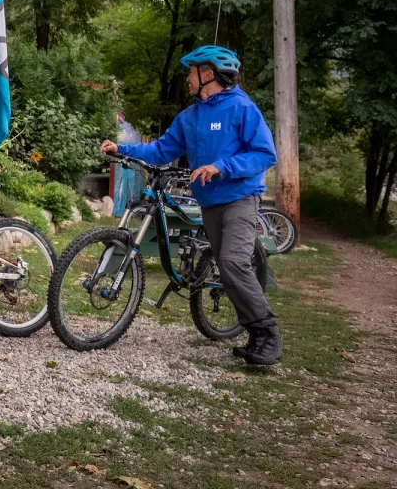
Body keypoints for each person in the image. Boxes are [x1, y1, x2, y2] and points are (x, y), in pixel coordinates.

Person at [100, 45, 281, 365]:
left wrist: (222, 166)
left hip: (240, 199)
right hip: (209, 203)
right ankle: (250, 328)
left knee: (233, 263)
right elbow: (161, 150)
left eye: (191, 72)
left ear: (207, 74)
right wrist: (123, 149)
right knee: (225, 268)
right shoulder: (191, 117)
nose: (187, 78)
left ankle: (267, 334)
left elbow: (265, 154)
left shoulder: (242, 108)